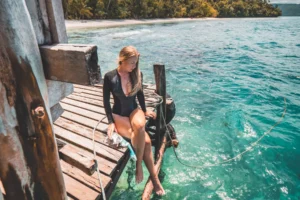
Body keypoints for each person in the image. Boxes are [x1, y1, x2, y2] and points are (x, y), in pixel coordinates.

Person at [103, 46, 165, 195]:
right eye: (131, 63)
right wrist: (111, 122)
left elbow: (140, 95)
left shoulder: (137, 74)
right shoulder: (110, 77)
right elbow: (105, 101)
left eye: (135, 62)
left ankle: (140, 166)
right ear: (121, 60)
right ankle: (154, 179)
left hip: (134, 110)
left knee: (140, 125)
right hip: (119, 114)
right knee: (148, 142)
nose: (134, 66)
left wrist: (144, 110)